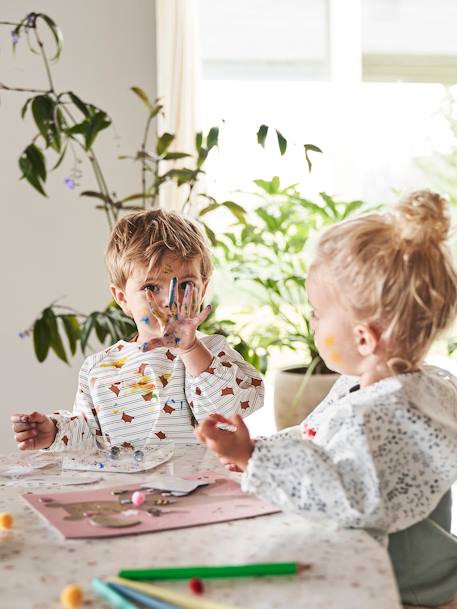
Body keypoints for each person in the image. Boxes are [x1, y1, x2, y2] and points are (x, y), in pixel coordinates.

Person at [197, 190, 457, 608]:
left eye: (317, 313)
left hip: (398, 585)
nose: (312, 322)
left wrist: (253, 458)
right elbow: (318, 438)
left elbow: (345, 495)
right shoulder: (410, 386)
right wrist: (256, 450)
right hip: (420, 570)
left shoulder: (382, 412)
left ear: (363, 337)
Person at [11, 209, 264, 451]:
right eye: (151, 288)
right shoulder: (100, 369)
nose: (169, 301)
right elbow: (89, 440)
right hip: (127, 492)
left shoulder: (212, 353)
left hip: (203, 491)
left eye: (186, 284)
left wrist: (191, 348)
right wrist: (54, 434)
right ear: (122, 298)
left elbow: (231, 414)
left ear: (204, 289)